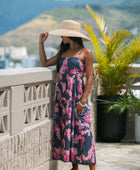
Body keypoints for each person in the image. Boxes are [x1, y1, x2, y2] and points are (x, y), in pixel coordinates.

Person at [39, 20, 96, 170]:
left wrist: (83, 101)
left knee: (84, 133)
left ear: (70, 35)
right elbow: (44, 63)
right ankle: (75, 168)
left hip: (78, 99)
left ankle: (92, 168)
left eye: (63, 34)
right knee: (69, 132)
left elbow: (90, 77)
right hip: (64, 100)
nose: (61, 37)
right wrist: (41, 44)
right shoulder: (62, 53)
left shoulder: (86, 53)